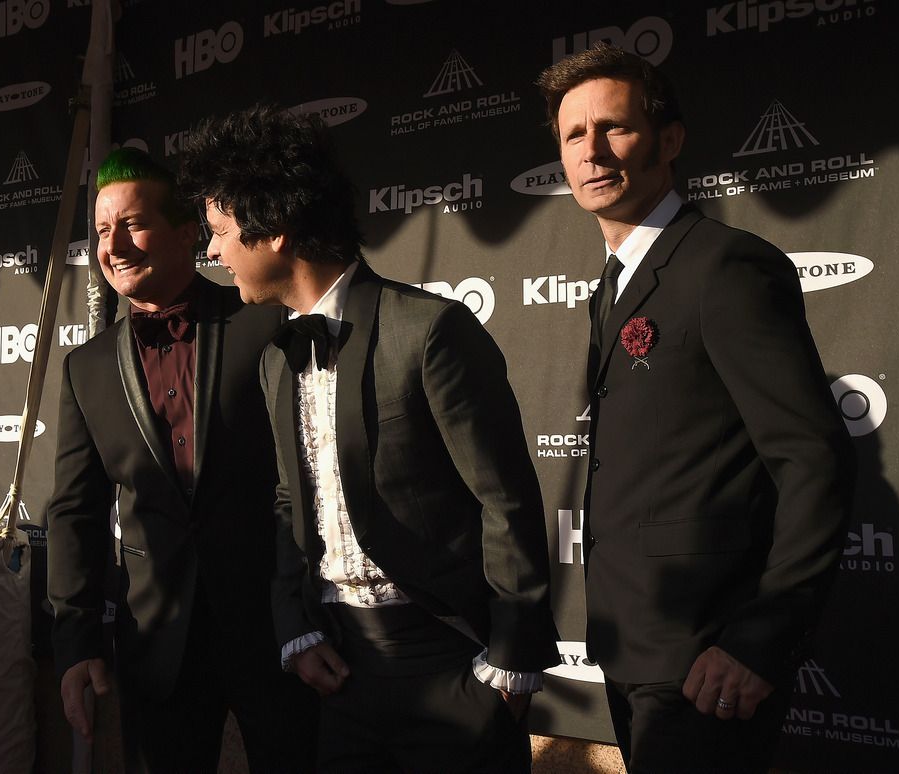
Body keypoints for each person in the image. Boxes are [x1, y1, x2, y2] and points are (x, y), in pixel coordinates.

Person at [177, 105, 559, 773]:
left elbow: (508, 503)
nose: (210, 252)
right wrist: (295, 629)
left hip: (449, 663)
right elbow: (287, 504)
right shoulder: (276, 357)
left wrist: (510, 667)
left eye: (219, 232)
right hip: (342, 672)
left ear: (275, 231)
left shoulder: (429, 331)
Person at [537, 44, 855, 773]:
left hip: (709, 658)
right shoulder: (613, 285)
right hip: (631, 647)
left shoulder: (725, 267)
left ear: (668, 140)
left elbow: (813, 460)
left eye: (612, 127)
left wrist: (758, 642)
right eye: (572, 136)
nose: (591, 151)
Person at [47, 147, 315, 773]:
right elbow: (73, 513)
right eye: (103, 230)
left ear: (188, 233)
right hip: (156, 647)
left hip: (279, 635)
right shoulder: (84, 369)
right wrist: (74, 644)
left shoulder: (264, 322)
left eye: (133, 224)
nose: (114, 245)